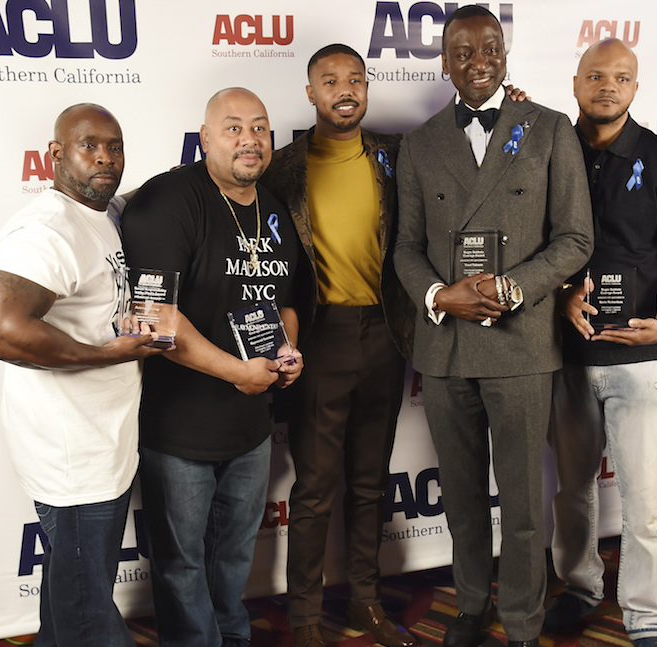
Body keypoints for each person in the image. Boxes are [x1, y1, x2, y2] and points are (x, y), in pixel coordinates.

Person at [393, 7, 593, 647]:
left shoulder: (550, 129)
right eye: (461, 50)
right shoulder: (420, 143)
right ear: (444, 61)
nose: (477, 60)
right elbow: (405, 247)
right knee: (461, 497)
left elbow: (575, 237)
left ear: (505, 54)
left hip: (523, 344)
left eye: (489, 47)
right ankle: (472, 605)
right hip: (447, 347)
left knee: (525, 503)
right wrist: (438, 294)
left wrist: (514, 288)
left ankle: (526, 622)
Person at [0, 103, 167, 646]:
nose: (104, 157)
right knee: (86, 613)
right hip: (72, 458)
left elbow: (140, 195)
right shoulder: (47, 227)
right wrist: (110, 353)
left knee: (70, 593)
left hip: (98, 445)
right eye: (89, 146)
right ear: (56, 154)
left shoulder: (101, 213)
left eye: (115, 146)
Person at [120, 87, 304, 647]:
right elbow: (154, 317)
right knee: (181, 564)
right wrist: (236, 372)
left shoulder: (271, 207)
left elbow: (289, 299)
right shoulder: (169, 200)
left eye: (260, 127)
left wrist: (287, 352)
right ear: (204, 139)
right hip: (180, 427)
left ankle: (233, 635)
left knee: (233, 553)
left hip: (249, 425)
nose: (249, 139)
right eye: (233, 128)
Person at [544, 39, 657, 647]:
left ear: (635, 88)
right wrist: (560, 296)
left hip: (643, 357)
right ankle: (580, 589)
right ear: (576, 82)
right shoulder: (549, 153)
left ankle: (645, 613)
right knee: (572, 492)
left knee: (648, 497)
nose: (608, 86)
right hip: (566, 355)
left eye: (622, 77)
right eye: (596, 75)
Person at [261, 44, 416, 647]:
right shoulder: (281, 169)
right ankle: (304, 619)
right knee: (315, 485)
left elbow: (468, 164)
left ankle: (367, 604)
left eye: (355, 78)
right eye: (330, 80)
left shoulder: (396, 156)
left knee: (371, 480)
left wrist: (514, 112)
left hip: (385, 333)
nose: (344, 89)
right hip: (317, 339)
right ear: (311, 93)